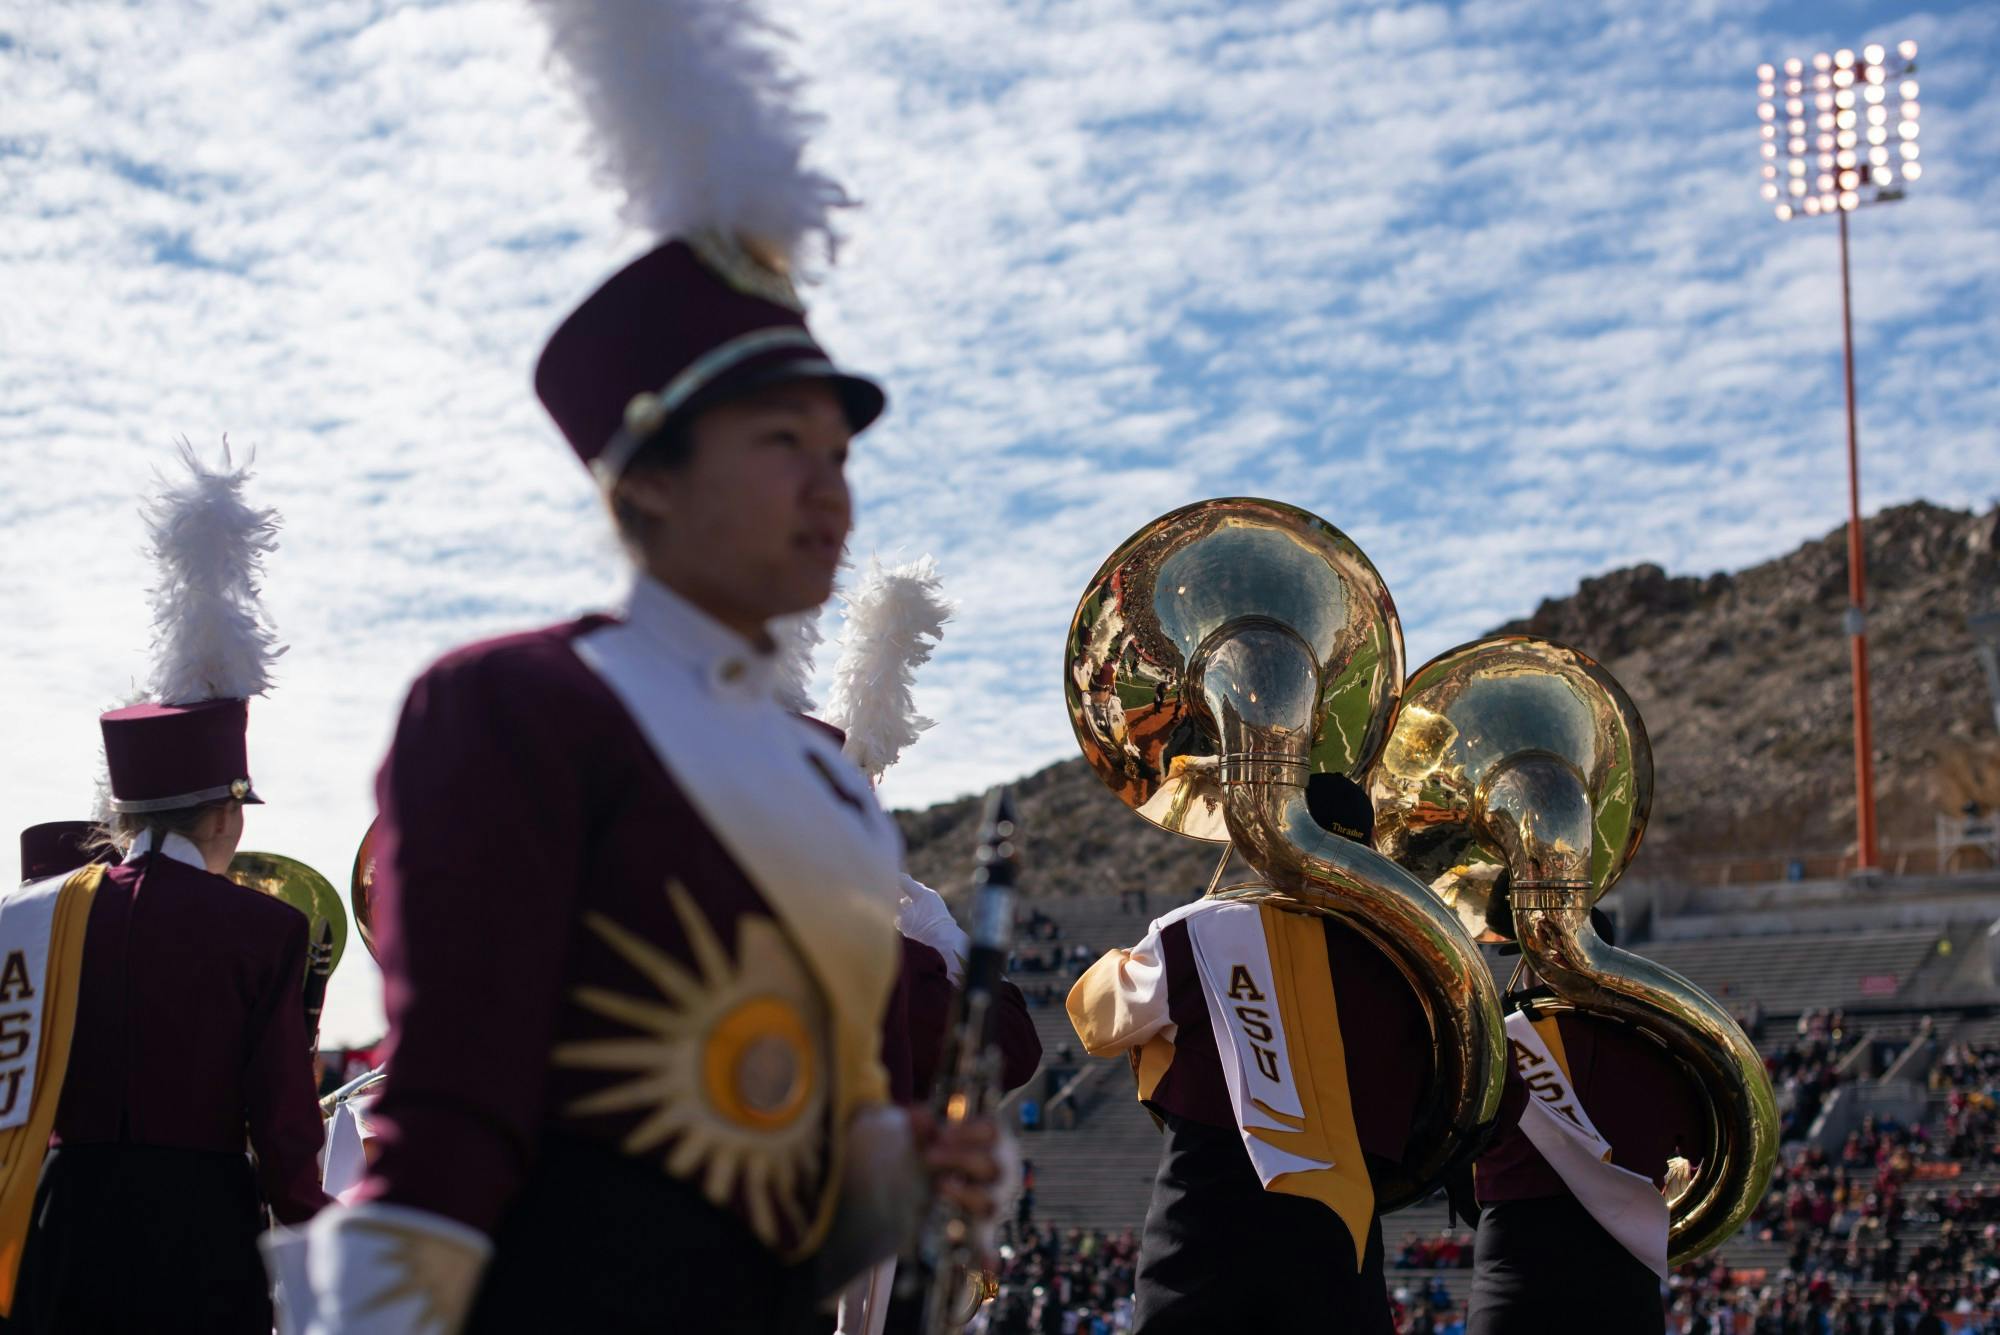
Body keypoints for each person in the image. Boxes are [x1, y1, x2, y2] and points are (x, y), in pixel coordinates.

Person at [280, 3, 1004, 1330]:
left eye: (842, 455)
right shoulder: (513, 706)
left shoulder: (836, 792)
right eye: (782, 441)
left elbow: (788, 1174)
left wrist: (907, 1166)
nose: (830, 491)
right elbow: (443, 1123)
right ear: (648, 482)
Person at [8, 449, 328, 1334]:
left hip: (57, 1226)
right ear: (227, 815)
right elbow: (287, 1137)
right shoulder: (263, 929)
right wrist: (320, 1220)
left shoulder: (34, 913)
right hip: (197, 1239)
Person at [1066, 776, 1455, 1334]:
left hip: (1202, 1235)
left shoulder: (1204, 930)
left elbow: (1098, 1023)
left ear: (1270, 835)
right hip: (1340, 1243)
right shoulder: (1414, 970)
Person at [1464, 881, 1704, 1335]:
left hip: (1512, 1276)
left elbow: (1453, 1142)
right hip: (1622, 1286)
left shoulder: (1498, 1040)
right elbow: (1698, 1144)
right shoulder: (1658, 1051)